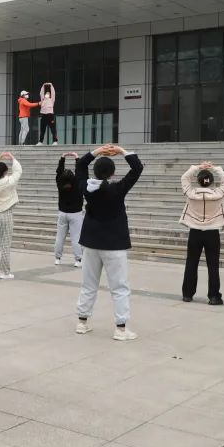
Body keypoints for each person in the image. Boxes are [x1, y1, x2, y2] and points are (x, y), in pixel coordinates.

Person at [75, 144, 143, 340]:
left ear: (95, 172)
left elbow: (81, 165)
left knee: (88, 284)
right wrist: (121, 151)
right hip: (114, 244)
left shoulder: (86, 188)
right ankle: (120, 329)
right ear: (112, 173)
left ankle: (82, 322)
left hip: (91, 242)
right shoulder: (117, 189)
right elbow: (137, 168)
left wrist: (97, 151)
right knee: (119, 287)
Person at [180, 161, 224, 305]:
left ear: (198, 181)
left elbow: (184, 178)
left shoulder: (191, 193)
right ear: (211, 182)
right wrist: (215, 168)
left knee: (191, 263)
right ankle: (214, 296)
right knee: (213, 265)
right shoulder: (218, 193)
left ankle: (187, 294)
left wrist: (197, 167)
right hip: (212, 232)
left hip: (195, 232)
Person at [54, 152, 84, 267]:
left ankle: (57, 258)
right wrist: (77, 158)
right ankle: (78, 260)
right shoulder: (77, 183)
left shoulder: (60, 183)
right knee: (76, 237)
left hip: (62, 213)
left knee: (60, 237)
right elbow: (80, 172)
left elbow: (59, 172)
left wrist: (63, 157)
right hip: (76, 213)